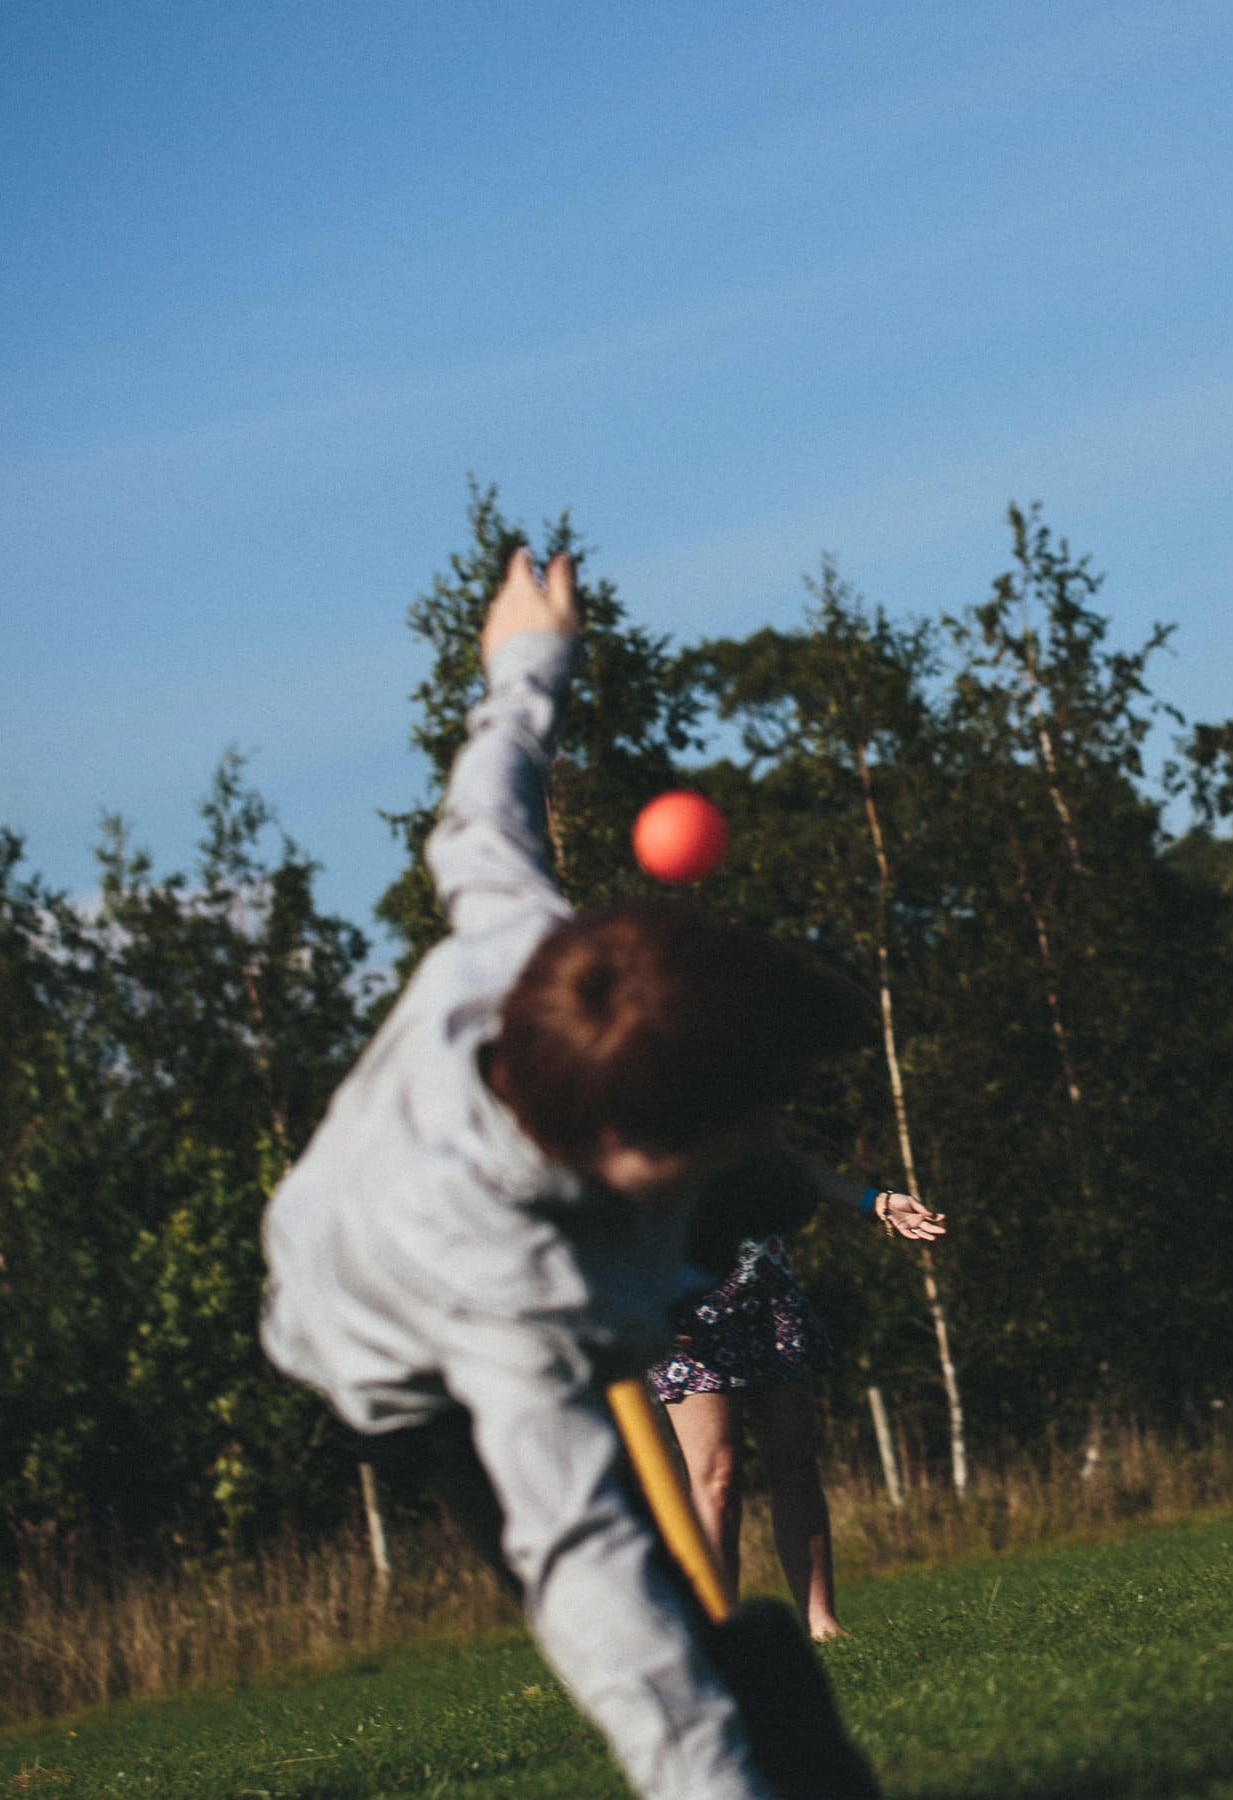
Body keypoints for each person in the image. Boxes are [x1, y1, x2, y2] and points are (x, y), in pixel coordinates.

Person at [260, 547, 880, 1800]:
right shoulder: (516, 1316)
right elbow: (591, 1588)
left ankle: (767, 1686)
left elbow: (485, 805)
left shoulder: (527, 945)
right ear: (635, 1159)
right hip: (401, 1362)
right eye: (732, 1119)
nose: (766, 1126)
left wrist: (529, 656)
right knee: (677, 1626)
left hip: (546, 1223)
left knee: (763, 1199)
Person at [654, 1155, 944, 1640]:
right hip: (686, 1313)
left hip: (767, 1296)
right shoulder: (627, 1113)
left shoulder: (730, 1105)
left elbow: (790, 1167)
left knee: (795, 1463)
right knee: (718, 1479)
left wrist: (877, 1202)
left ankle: (822, 1622)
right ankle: (722, 1632)